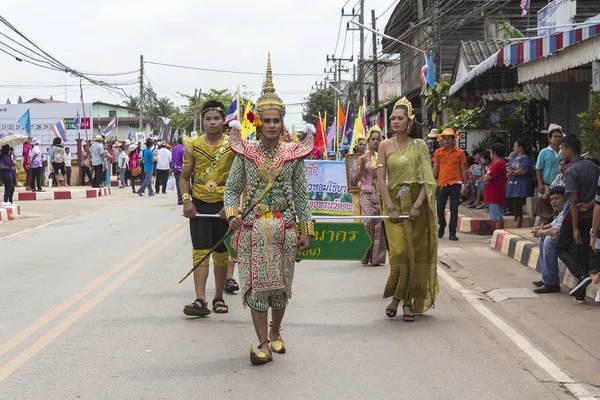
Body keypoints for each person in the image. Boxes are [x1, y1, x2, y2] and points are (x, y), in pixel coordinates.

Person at [224, 55, 314, 364]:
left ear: (282, 122)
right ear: (258, 121)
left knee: (280, 287)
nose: (272, 126)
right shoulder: (245, 151)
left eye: (277, 121)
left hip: (285, 228)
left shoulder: (292, 154)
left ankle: (276, 331)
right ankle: (262, 342)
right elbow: (231, 189)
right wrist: (233, 214)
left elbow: (301, 196)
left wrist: (307, 231)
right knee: (256, 289)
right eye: (268, 121)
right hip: (253, 228)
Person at [376, 97, 439, 322]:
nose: (395, 121)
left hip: (415, 207)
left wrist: (417, 205)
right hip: (393, 204)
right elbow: (381, 180)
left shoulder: (418, 146)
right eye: (392, 118)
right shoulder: (384, 146)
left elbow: (427, 181)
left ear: (409, 121)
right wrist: (390, 208)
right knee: (400, 253)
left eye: (399, 118)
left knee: (415, 254)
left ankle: (406, 302)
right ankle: (399, 300)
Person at [180, 100, 234, 318]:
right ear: (203, 121)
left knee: (221, 253)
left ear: (223, 121)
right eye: (208, 118)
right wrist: (187, 200)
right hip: (199, 204)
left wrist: (231, 206)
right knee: (200, 252)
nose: (212, 122)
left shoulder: (233, 146)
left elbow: (242, 180)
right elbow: (184, 178)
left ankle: (218, 297)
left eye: (217, 118)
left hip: (223, 206)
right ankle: (200, 300)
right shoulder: (193, 145)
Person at [556, 135, 600, 302]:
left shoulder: (571, 170)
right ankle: (580, 294)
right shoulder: (593, 166)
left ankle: (580, 275)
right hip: (590, 215)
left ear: (569, 150)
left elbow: (573, 201)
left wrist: (574, 227)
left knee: (560, 246)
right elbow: (598, 194)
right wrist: (589, 205)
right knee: (582, 251)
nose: (561, 152)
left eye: (562, 149)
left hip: (574, 216)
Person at [354, 126, 386, 266]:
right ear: (368, 141)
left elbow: (387, 176)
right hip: (366, 193)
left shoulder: (383, 157)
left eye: (378, 139)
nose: (375, 142)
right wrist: (361, 170)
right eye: (372, 139)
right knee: (367, 222)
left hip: (379, 193)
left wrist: (379, 175)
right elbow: (354, 180)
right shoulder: (362, 158)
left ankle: (376, 258)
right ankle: (363, 254)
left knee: (378, 224)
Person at [432, 128, 467, 241]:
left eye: (448, 138)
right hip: (442, 183)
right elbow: (436, 168)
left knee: (454, 209)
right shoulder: (438, 152)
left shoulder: (460, 153)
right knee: (440, 208)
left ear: (453, 140)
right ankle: (442, 225)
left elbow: (462, 169)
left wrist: (465, 184)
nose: (446, 141)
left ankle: (452, 232)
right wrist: (432, 182)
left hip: (455, 183)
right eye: (444, 138)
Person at [531, 186, 566, 294]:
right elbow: (554, 224)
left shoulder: (568, 208)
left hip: (574, 239)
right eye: (551, 200)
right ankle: (546, 277)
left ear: (565, 198)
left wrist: (541, 232)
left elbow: (556, 229)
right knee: (543, 237)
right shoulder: (562, 211)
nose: (554, 202)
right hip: (565, 237)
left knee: (548, 241)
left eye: (557, 199)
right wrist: (542, 228)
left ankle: (552, 283)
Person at [534, 124, 563, 225]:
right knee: (543, 211)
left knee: (558, 211)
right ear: (549, 139)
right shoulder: (543, 152)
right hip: (546, 185)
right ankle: (538, 230)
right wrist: (540, 184)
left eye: (559, 137)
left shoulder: (564, 152)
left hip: (560, 186)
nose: (558, 139)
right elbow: (538, 169)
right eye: (555, 136)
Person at [506, 140, 532, 228]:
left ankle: (517, 223)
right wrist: (511, 172)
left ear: (520, 148)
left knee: (518, 205)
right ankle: (516, 221)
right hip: (512, 185)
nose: (513, 148)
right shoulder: (514, 159)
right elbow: (508, 169)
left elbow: (523, 171)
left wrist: (512, 172)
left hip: (521, 185)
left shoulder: (525, 158)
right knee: (513, 205)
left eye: (515, 146)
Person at [484, 144, 507, 230]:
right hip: (492, 191)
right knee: (496, 214)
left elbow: (489, 176)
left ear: (494, 153)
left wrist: (486, 178)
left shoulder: (499, 164)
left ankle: (498, 234)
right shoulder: (493, 164)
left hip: (496, 192)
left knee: (497, 216)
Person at [171, 137, 185, 205]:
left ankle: (179, 198)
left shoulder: (174, 148)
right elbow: (184, 159)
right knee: (182, 184)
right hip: (182, 168)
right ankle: (182, 198)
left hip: (175, 168)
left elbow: (172, 159)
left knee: (178, 183)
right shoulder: (183, 149)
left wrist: (172, 168)